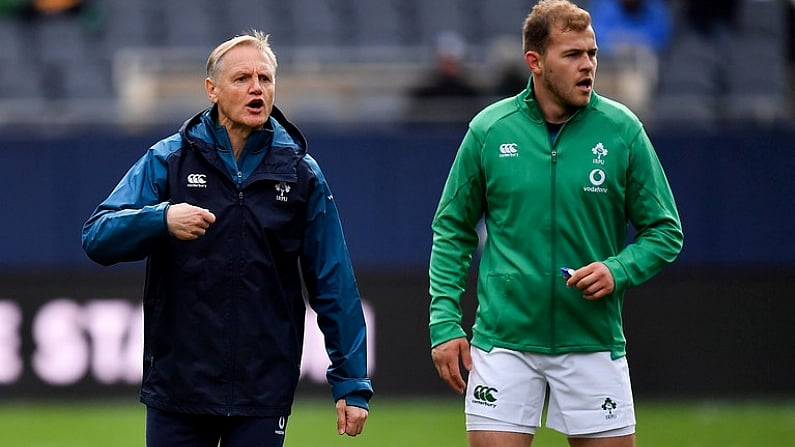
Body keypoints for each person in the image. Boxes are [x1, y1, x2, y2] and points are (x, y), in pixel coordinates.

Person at [82, 30, 372, 447]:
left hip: (263, 390)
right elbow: (97, 235)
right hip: (179, 387)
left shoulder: (301, 172)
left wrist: (351, 382)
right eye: (242, 79)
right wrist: (161, 219)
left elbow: (334, 281)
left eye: (265, 79)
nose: (257, 88)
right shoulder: (168, 159)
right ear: (212, 90)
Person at [428, 1, 683, 447]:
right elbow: (452, 230)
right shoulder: (489, 130)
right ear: (536, 62)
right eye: (572, 55)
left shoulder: (622, 130)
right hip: (503, 342)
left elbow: (665, 231)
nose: (588, 66)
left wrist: (618, 270)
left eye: (592, 54)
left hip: (591, 340)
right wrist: (445, 322)